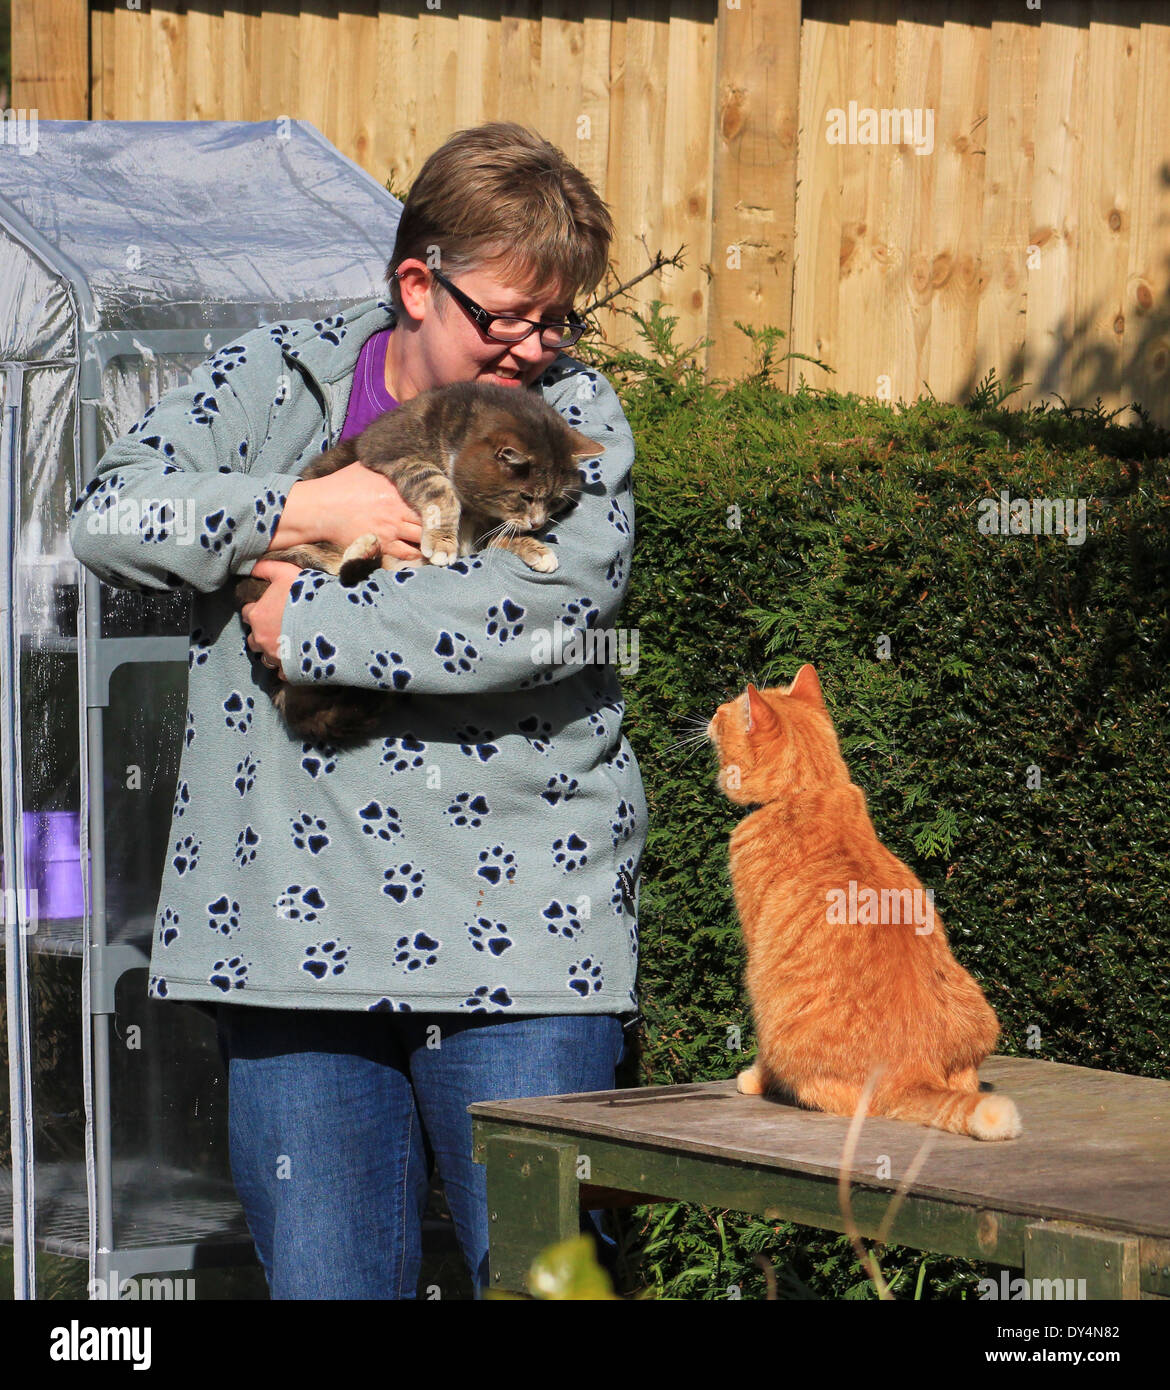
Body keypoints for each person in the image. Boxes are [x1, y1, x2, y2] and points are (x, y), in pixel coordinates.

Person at [67, 121, 647, 1299]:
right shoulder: (275, 382)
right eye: (509, 316)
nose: (539, 349)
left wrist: (304, 627)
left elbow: (541, 612)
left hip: (526, 951)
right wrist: (302, 504)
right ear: (415, 283)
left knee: (560, 1288)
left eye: (559, 318)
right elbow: (108, 517)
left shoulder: (578, 418)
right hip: (291, 942)